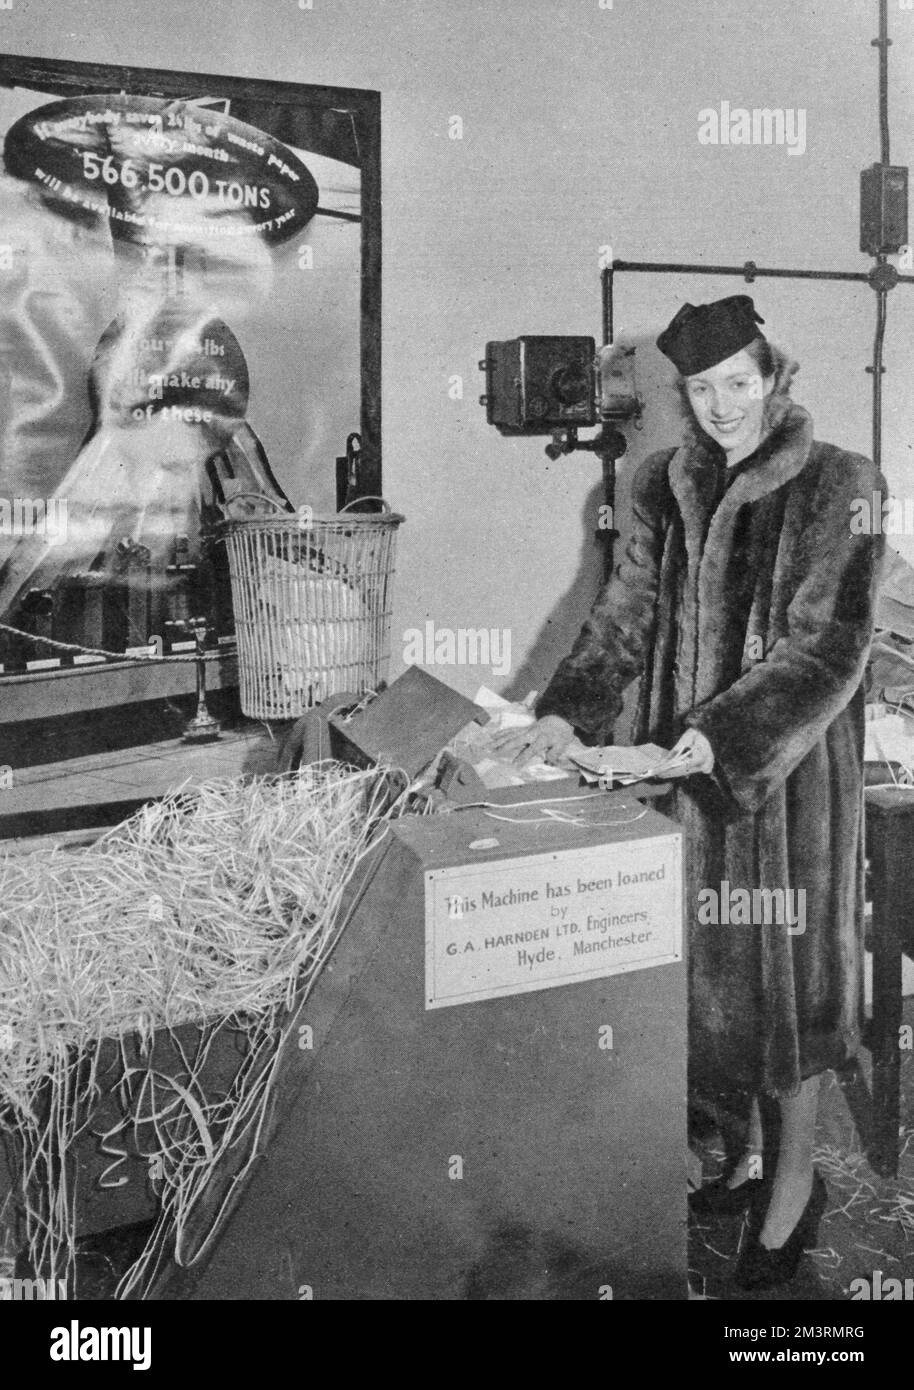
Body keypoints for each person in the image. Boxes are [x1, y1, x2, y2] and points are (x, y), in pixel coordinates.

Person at [497, 295, 886, 1290]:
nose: (720, 405)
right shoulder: (659, 487)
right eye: (703, 389)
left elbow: (826, 653)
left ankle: (793, 1191)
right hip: (687, 790)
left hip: (786, 786)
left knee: (789, 1000)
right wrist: (568, 713)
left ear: (772, 376)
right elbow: (621, 613)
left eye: (738, 383)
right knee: (714, 991)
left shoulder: (841, 484)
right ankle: (748, 1158)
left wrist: (709, 741)